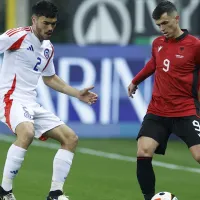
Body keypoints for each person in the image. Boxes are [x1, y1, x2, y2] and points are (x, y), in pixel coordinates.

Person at [0, 1, 98, 200]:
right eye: (46, 23)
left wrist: (77, 94)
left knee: (70, 138)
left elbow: (50, 78)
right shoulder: (17, 36)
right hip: (10, 98)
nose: (50, 28)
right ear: (34, 20)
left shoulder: (48, 48)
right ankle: (5, 191)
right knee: (26, 132)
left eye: (53, 23)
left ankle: (55, 193)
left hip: (31, 103)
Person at [128, 1, 200, 200]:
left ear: (177, 19)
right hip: (158, 110)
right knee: (143, 151)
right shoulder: (158, 43)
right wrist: (136, 80)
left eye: (165, 23)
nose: (162, 28)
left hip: (185, 110)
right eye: (159, 25)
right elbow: (154, 63)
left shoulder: (195, 45)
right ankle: (149, 198)